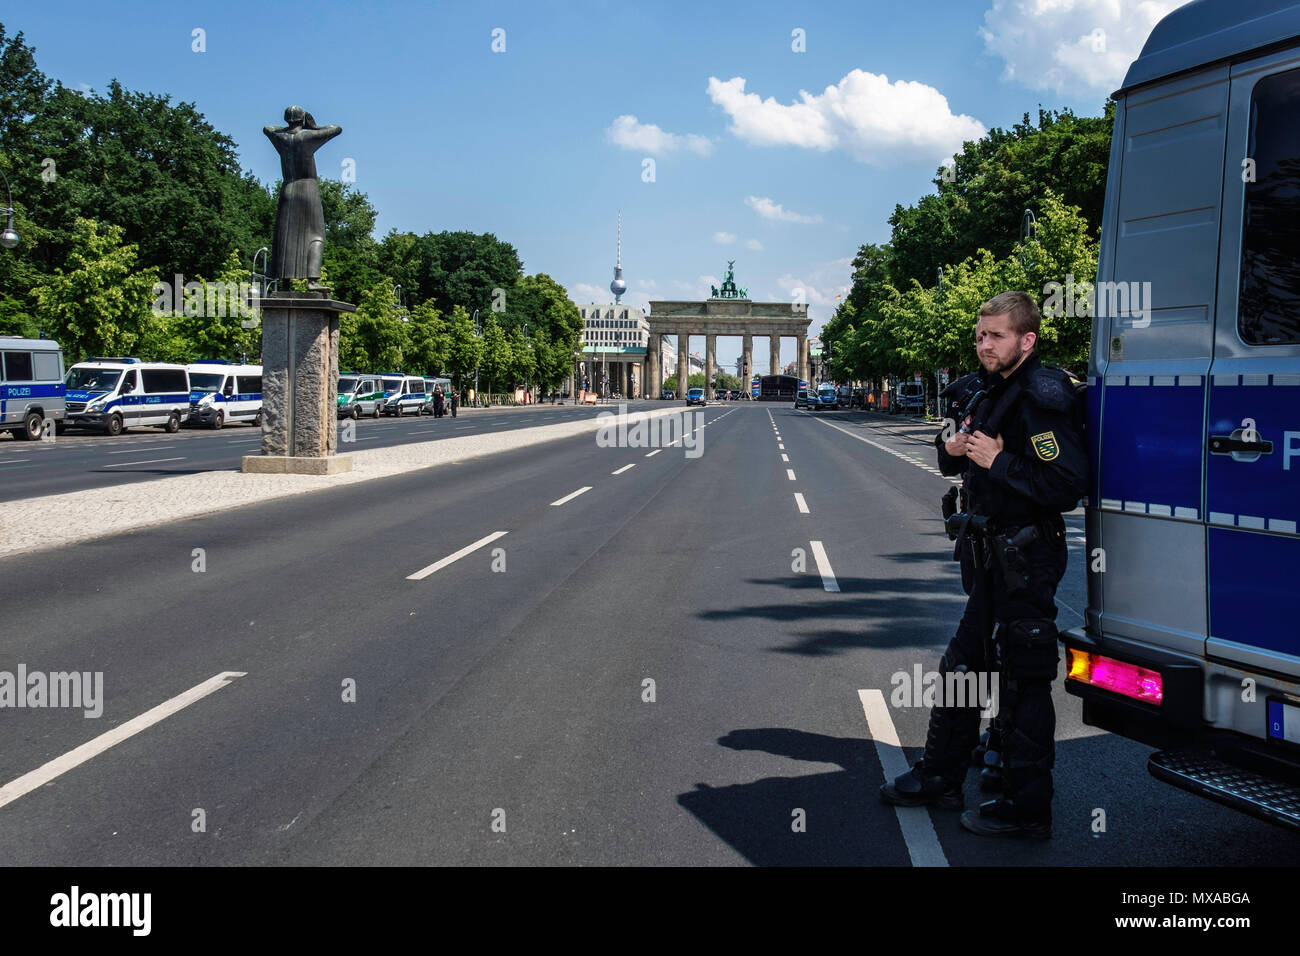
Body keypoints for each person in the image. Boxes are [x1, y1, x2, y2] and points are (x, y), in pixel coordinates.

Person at [879, 291, 1086, 838]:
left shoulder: (1041, 397)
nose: (983, 345)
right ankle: (946, 774)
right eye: (979, 334)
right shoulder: (990, 391)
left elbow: (1066, 483)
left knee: (1021, 678)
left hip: (1027, 555)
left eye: (995, 336)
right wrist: (951, 452)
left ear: (1027, 339)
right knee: (967, 666)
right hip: (992, 554)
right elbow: (955, 456)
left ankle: (1026, 807)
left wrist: (1002, 460)